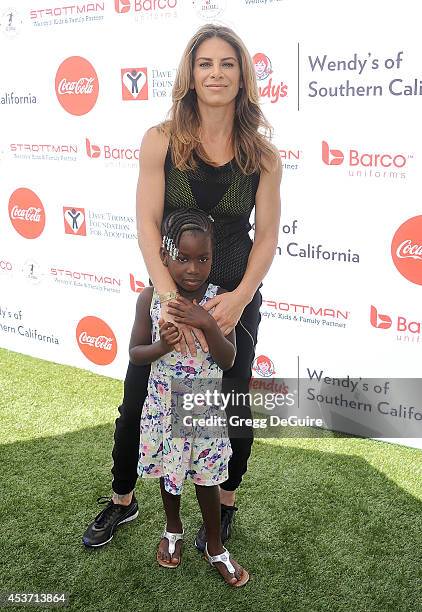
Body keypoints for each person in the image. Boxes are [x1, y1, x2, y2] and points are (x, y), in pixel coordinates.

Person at [83, 23, 282, 552]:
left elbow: (266, 240)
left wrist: (238, 301)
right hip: (169, 294)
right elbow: (148, 225)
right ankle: (123, 499)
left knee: (229, 406)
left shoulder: (261, 155)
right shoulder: (161, 140)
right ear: (190, 75)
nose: (215, 73)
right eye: (205, 64)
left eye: (227, 64)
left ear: (243, 76)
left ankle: (226, 502)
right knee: (138, 401)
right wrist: (168, 298)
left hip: (232, 301)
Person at [130, 208, 248, 586]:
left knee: (207, 479)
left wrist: (207, 323)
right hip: (163, 410)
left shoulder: (220, 301)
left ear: (214, 259)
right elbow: (135, 354)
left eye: (203, 258)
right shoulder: (150, 298)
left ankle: (216, 546)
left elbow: (228, 359)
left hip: (203, 410)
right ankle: (172, 529)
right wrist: (161, 345)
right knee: (169, 474)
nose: (194, 268)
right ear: (163, 257)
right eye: (182, 258)